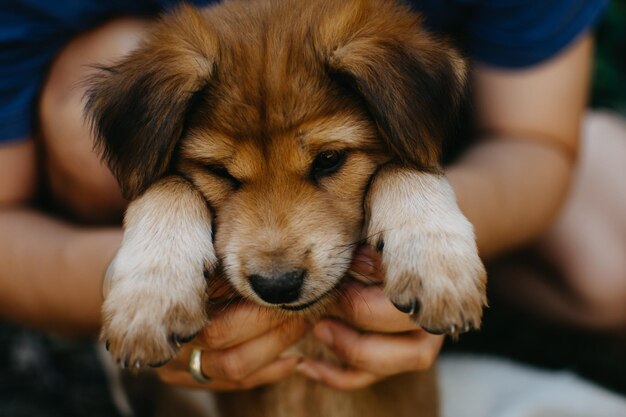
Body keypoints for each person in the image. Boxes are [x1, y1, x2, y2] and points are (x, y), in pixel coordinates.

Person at [0, 0, 616, 399]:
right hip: (109, 122)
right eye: (223, 170)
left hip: (472, 123)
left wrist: (426, 224)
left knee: (610, 261)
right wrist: (144, 271)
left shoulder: (386, 72)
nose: (276, 250)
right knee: (87, 99)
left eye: (325, 160)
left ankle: (418, 298)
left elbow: (531, 139)